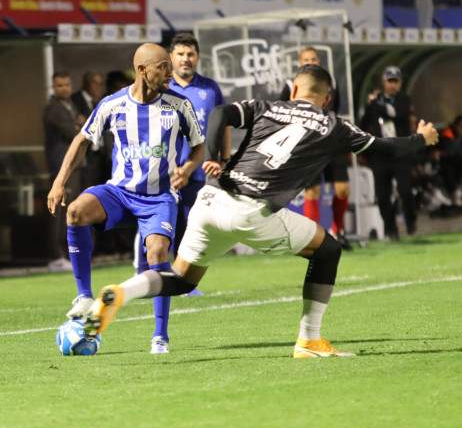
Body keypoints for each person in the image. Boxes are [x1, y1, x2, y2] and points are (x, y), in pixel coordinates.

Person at [81, 64, 438, 358]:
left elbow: (220, 112)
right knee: (328, 250)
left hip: (210, 200)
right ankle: (309, 340)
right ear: (327, 99)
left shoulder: (267, 106)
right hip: (251, 209)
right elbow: (387, 149)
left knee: (182, 279)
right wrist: (423, 138)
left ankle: (120, 293)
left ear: (293, 90)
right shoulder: (335, 125)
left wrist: (218, 159)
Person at [47, 43, 207, 335]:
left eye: (170, 66)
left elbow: (199, 146)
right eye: (163, 67)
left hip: (159, 197)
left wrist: (187, 168)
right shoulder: (113, 104)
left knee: (157, 253)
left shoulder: (179, 105)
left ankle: (160, 336)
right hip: (120, 193)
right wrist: (59, 182)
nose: (170, 72)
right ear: (142, 70)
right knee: (75, 212)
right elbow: (81, 140)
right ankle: (84, 296)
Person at [135, 32, 228, 353]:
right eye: (180, 54)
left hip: (201, 169)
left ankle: (181, 278)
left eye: (191, 54)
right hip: (167, 172)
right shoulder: (161, 86)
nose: (185, 59)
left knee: (194, 224)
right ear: (170, 59)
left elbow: (222, 124)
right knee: (161, 224)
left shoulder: (209, 88)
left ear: (197, 58)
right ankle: (145, 271)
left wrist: (222, 158)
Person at [280, 47, 351, 250]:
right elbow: (280, 110)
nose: (310, 62)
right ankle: (314, 239)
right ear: (299, 63)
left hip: (331, 142)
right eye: (306, 59)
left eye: (314, 59)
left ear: (319, 61)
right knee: (312, 192)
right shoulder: (290, 85)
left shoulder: (330, 84)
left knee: (343, 189)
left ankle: (339, 232)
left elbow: (334, 111)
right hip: (308, 145)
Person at [359, 65, 417, 240]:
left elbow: (395, 113)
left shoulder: (403, 99)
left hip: (400, 152)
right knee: (382, 196)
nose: (392, 85)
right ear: (384, 81)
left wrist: (376, 103)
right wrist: (371, 105)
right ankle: (391, 229)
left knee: (405, 190)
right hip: (382, 154)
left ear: (400, 83)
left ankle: (411, 220)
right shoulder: (374, 102)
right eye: (389, 81)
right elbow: (363, 123)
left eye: (395, 81)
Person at [44, 72, 86, 272]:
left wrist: (79, 123)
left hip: (72, 166)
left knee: (70, 208)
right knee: (59, 210)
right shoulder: (52, 109)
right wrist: (79, 124)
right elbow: (74, 132)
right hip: (61, 165)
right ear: (53, 87)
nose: (64, 88)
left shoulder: (69, 105)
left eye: (67, 84)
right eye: (60, 85)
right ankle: (55, 256)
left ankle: (66, 253)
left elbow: (78, 126)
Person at [71, 71, 107, 191]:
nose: (98, 87)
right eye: (94, 83)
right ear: (85, 83)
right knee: (85, 188)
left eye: (100, 84)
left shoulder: (98, 102)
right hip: (84, 152)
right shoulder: (74, 100)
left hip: (99, 154)